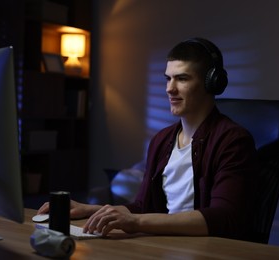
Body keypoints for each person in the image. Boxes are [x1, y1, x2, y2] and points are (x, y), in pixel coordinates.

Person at [38, 37, 258, 240]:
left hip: (205, 250)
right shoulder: (162, 140)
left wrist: (136, 222)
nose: (170, 89)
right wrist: (89, 209)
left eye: (182, 79)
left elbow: (223, 218)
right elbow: (143, 207)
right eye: (168, 78)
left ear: (211, 83)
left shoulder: (233, 141)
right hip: (162, 245)